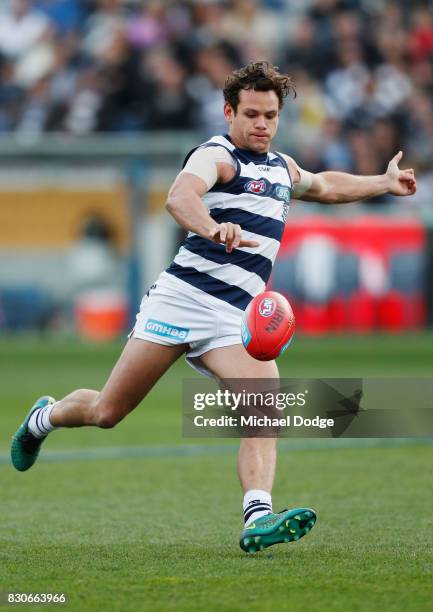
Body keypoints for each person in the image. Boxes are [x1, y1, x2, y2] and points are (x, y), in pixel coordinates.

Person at [11, 61, 416, 553]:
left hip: (232, 318)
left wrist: (383, 183)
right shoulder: (216, 155)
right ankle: (43, 419)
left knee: (265, 404)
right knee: (107, 411)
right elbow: (180, 196)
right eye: (251, 114)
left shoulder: (282, 168)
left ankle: (257, 517)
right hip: (181, 301)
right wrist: (210, 226)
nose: (262, 124)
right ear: (229, 112)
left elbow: (325, 186)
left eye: (270, 115)